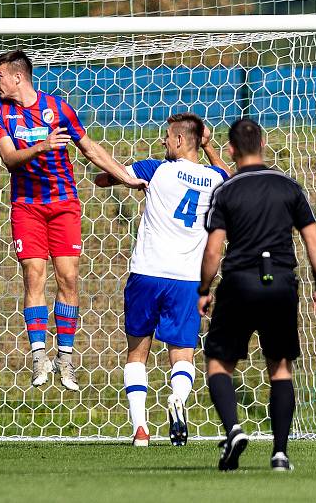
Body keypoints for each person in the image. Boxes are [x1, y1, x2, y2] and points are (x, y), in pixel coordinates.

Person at [0, 50, 147, 391]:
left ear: (18, 76)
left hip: (63, 204)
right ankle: (38, 357)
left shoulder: (57, 109)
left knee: (69, 278)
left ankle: (65, 358)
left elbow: (90, 148)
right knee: (34, 274)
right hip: (26, 205)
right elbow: (9, 159)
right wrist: (41, 147)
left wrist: (127, 177)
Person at [198, 117, 316, 471]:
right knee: (280, 368)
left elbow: (213, 251)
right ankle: (280, 454)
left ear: (230, 149)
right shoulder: (289, 186)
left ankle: (235, 430)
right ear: (263, 144)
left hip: (240, 282)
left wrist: (204, 289)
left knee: (218, 363)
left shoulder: (224, 191)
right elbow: (313, 240)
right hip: (282, 283)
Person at [94, 113, 230, 446]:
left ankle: (140, 428)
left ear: (181, 140)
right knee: (182, 354)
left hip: (147, 273)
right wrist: (209, 146)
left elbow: (105, 178)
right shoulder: (215, 179)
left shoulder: (154, 169)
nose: (163, 141)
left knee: (136, 354)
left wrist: (118, 179)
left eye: (168, 136)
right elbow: (229, 176)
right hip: (186, 279)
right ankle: (179, 401)